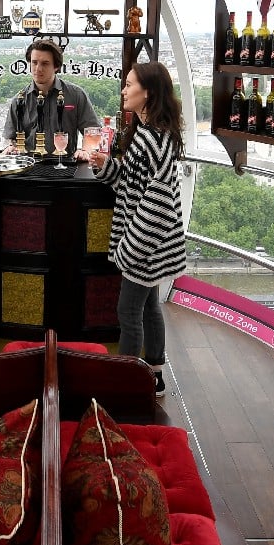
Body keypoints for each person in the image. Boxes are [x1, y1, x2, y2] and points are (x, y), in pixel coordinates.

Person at [88, 62, 186, 396]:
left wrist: (130, 250)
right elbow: (133, 186)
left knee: (128, 311)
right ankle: (154, 374)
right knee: (148, 307)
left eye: (129, 85)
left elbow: (156, 203)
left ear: (149, 93)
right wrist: (107, 167)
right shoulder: (152, 133)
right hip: (153, 242)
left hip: (144, 243)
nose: (124, 90)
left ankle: (124, 381)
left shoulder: (151, 140)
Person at [3, 38, 100, 155]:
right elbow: (10, 138)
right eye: (34, 62)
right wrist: (10, 147)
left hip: (66, 165)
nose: (38, 69)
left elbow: (93, 132)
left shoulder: (76, 95)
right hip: (28, 167)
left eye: (45, 63)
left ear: (56, 66)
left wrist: (85, 151)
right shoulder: (19, 100)